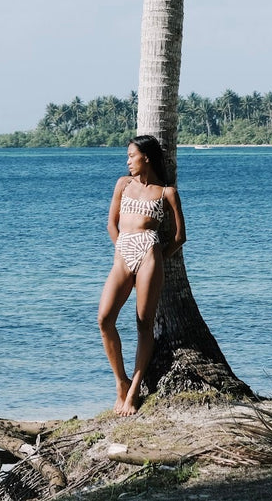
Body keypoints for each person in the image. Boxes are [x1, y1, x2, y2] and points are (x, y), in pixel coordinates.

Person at [97, 135, 186, 414]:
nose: (127, 161)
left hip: (150, 255)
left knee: (143, 325)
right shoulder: (123, 185)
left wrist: (156, 257)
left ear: (145, 157)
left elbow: (180, 237)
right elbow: (112, 224)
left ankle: (134, 391)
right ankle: (120, 382)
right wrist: (123, 250)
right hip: (123, 254)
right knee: (104, 319)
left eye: (131, 156)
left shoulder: (166, 193)